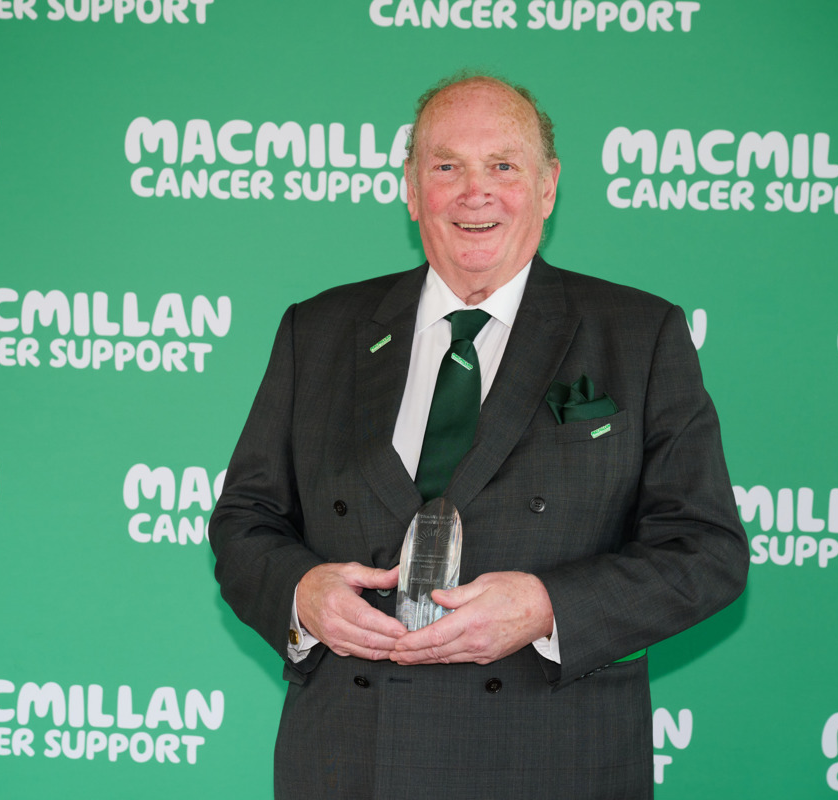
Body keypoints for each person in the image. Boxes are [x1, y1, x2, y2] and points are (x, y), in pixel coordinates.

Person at [210, 73, 748, 799]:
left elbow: (707, 552)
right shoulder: (320, 331)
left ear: (549, 186)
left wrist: (549, 608)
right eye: (446, 167)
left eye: (503, 165)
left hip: (549, 762)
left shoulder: (639, 335)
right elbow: (245, 523)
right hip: (346, 763)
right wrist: (301, 595)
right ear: (410, 188)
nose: (475, 192)